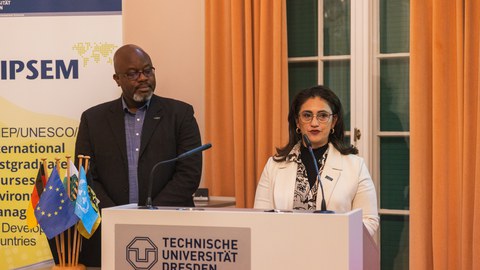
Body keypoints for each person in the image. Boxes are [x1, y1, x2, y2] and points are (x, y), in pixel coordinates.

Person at [73, 44, 203, 267]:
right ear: (117, 79)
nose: (143, 78)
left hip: (170, 232)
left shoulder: (180, 115)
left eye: (148, 71)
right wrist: (117, 216)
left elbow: (188, 175)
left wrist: (150, 215)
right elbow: (86, 176)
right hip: (108, 230)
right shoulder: (93, 120)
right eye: (133, 73)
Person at [253, 85, 379, 236]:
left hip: (334, 253)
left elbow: (369, 220)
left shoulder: (355, 166)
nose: (314, 123)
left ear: (333, 122)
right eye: (307, 115)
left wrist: (335, 239)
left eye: (322, 116)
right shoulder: (274, 165)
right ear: (297, 122)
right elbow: (259, 219)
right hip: (284, 253)